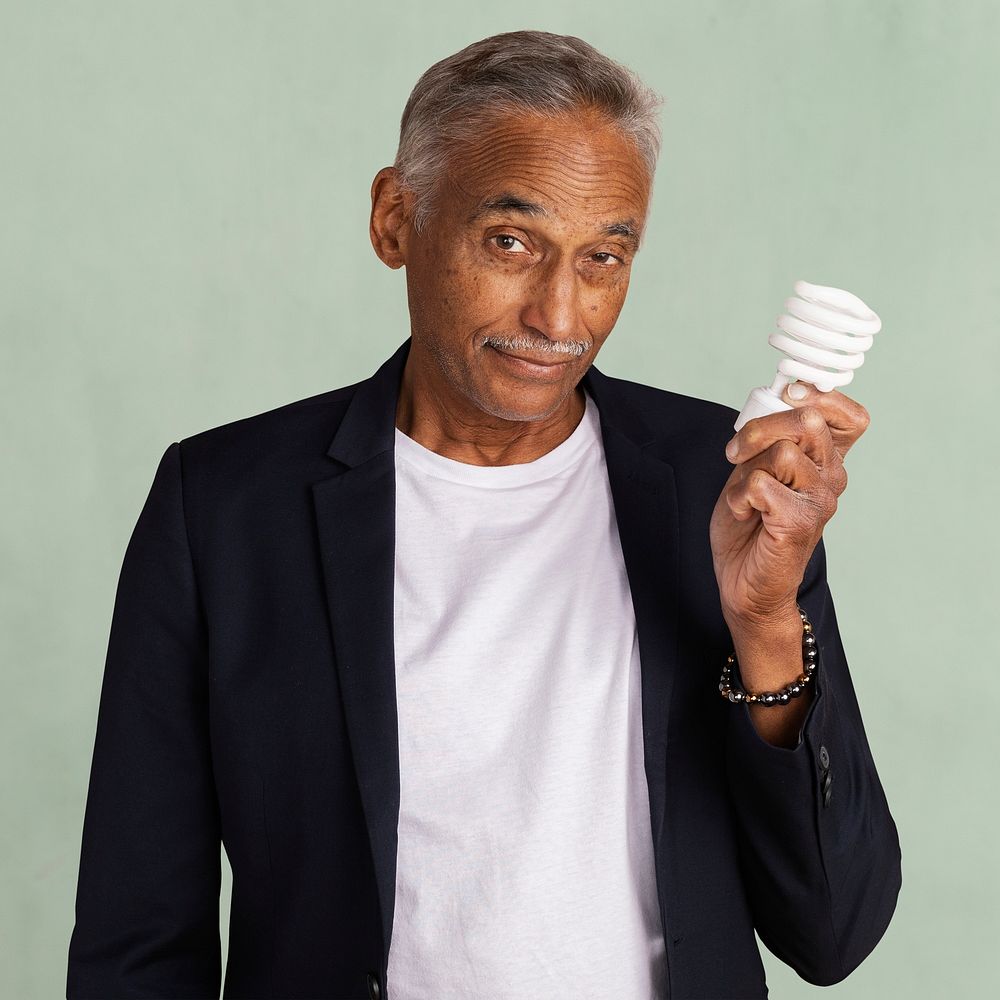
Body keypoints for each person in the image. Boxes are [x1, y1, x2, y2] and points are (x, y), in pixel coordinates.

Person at [66, 30, 901, 1000]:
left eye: (602, 257)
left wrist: (764, 623)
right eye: (511, 242)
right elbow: (137, 939)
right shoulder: (222, 507)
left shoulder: (719, 487)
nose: (558, 314)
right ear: (394, 218)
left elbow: (833, 929)